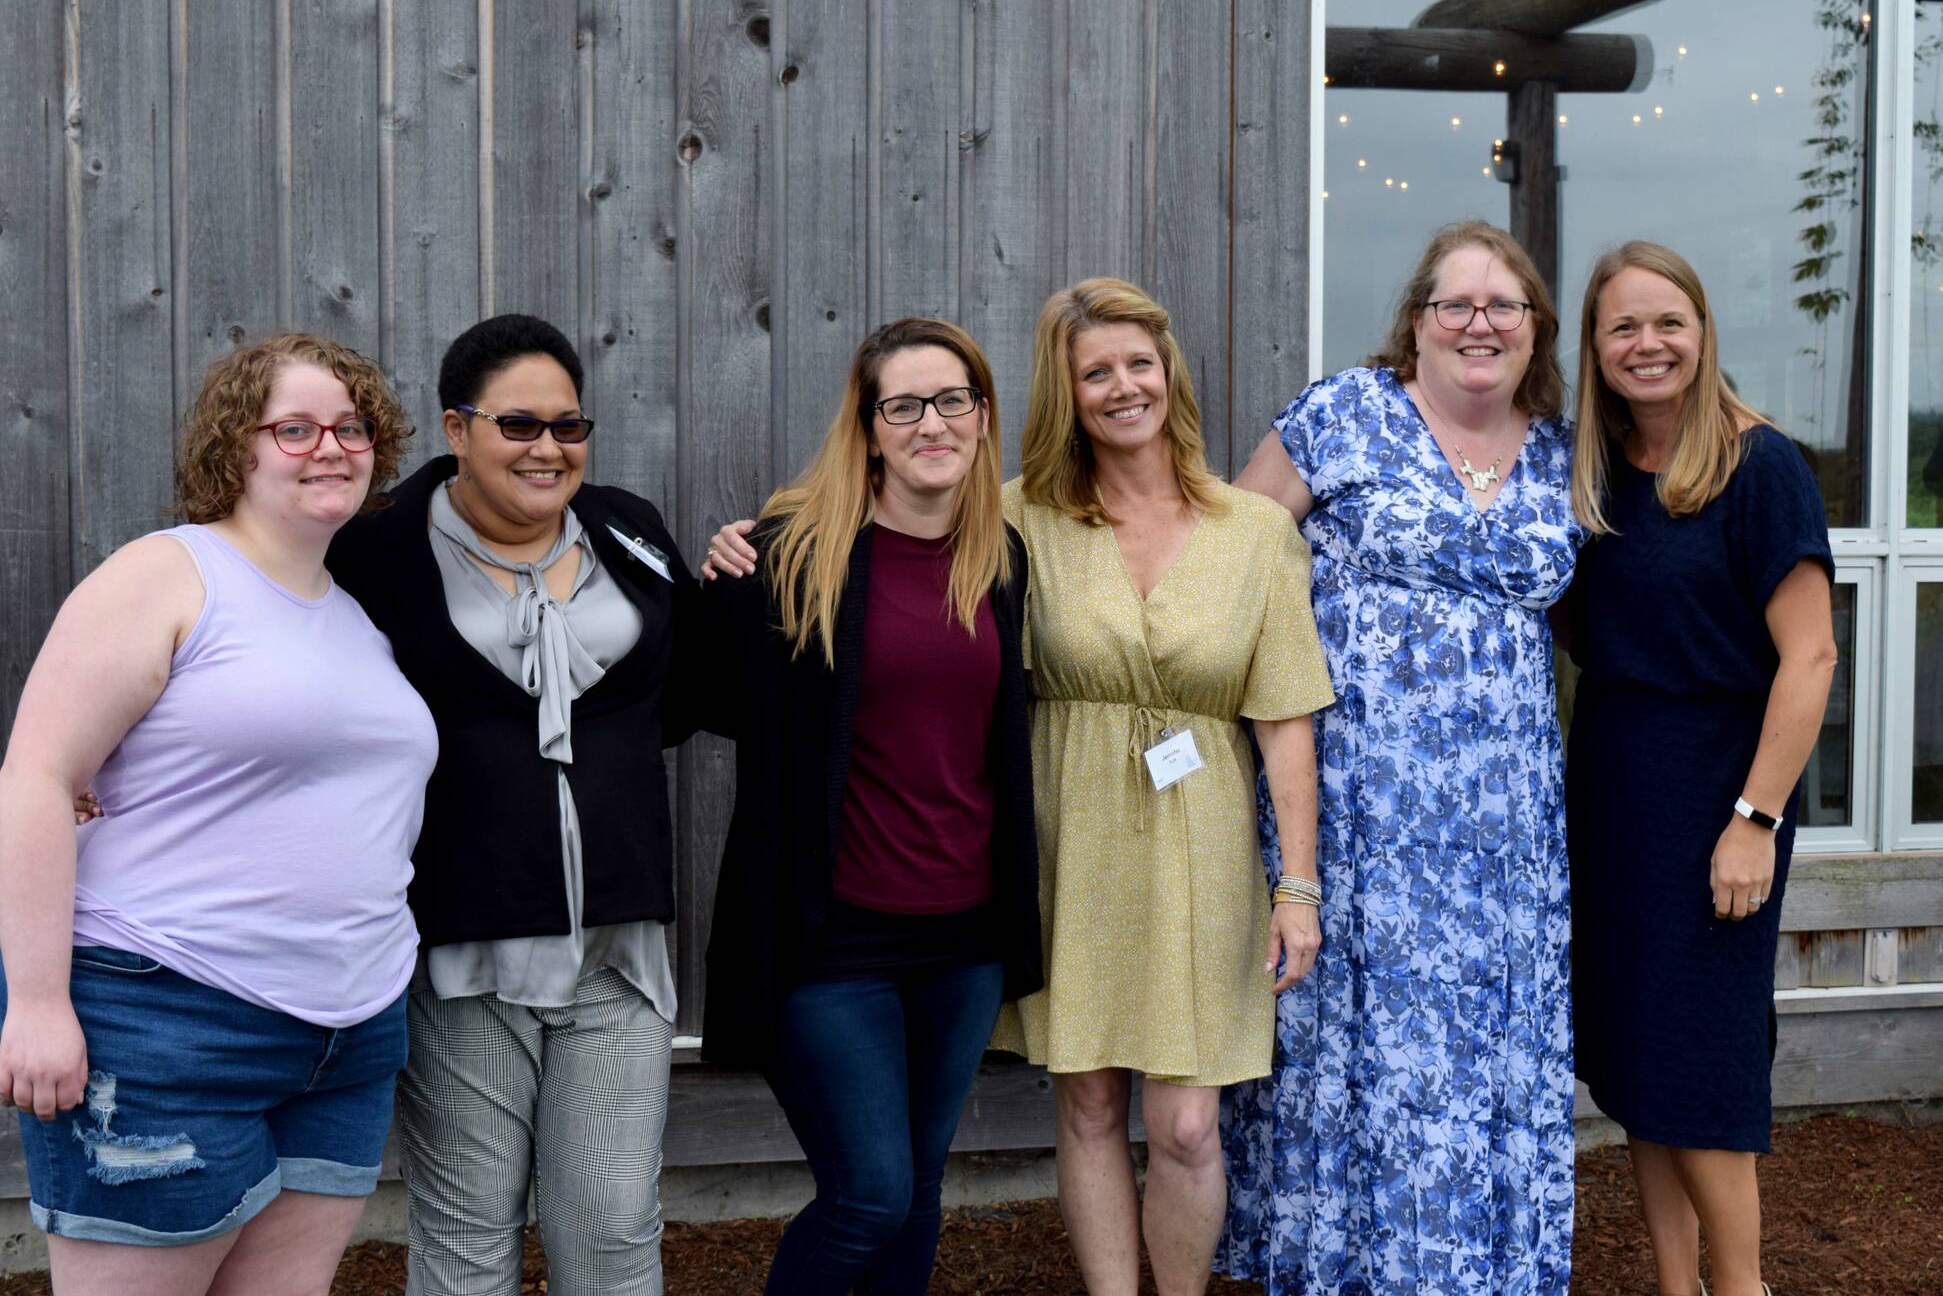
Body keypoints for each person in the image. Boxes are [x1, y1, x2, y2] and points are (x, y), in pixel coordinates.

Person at [706, 281, 1331, 1296]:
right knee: (1077, 1109)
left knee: (1181, 1124)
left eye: (1139, 363)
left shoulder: (1253, 531)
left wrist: (1295, 886)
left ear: (1170, 373)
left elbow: (1285, 718)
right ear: (1063, 394)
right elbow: (877, 521)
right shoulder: (1018, 519)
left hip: (1198, 850)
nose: (1123, 387)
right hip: (1066, 840)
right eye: (1096, 372)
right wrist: (751, 537)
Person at [0, 334, 434, 1294]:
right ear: (235, 447)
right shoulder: (167, 575)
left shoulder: (351, 619)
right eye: (296, 428)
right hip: (166, 1017)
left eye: (352, 426)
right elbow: (34, 775)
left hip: (347, 1038)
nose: (332, 445)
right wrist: (33, 1002)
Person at [1219, 220, 1582, 1294]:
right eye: (1453, 304)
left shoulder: (1565, 453)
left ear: (1532, 330)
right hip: (1351, 809)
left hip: (1502, 836)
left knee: (1478, 1056)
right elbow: (1228, 561)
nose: (1478, 322)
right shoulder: (1342, 414)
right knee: (1347, 1048)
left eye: (1501, 305)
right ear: (1414, 324)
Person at [325, 314, 693, 1296]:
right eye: (518, 426)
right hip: (461, 953)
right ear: (457, 427)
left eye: (568, 427)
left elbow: (688, 691)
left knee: (612, 1232)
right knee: (466, 1241)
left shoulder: (630, 529)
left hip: (616, 948)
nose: (548, 449)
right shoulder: (375, 552)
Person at [694, 317, 1042, 1293]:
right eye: (905, 405)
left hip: (961, 944)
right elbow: (698, 697)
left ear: (980, 417)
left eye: (952, 401)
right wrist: (720, 575)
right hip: (832, 944)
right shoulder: (791, 554)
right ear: (869, 424)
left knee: (918, 1192)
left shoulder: (998, 559)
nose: (931, 423)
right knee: (869, 1197)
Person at [1564, 241, 1835, 1296]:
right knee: (1638, 1058)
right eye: (1622, 326)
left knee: (1703, 1059)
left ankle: (1739, 1286)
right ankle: (1673, 1285)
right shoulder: (1594, 475)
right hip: (1615, 794)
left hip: (1720, 791)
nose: (1647, 344)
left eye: (1665, 321)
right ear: (1593, 349)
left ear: (1702, 330)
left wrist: (1752, 820)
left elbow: (1808, 656)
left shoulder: (1758, 466)